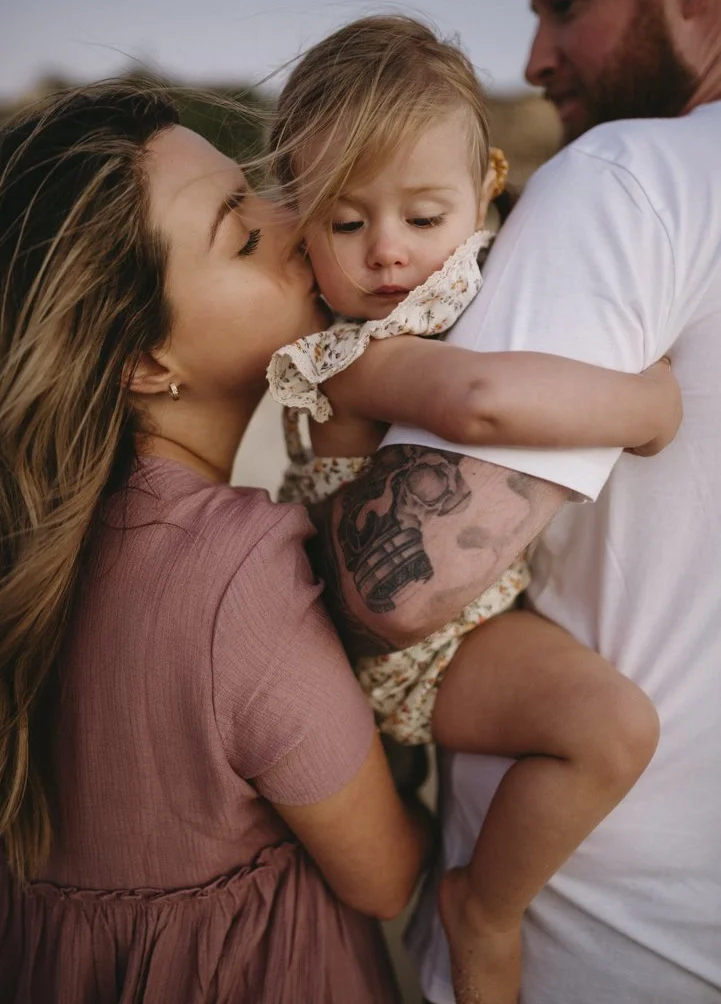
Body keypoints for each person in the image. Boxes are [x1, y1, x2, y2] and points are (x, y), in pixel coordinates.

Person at [311, 0, 721, 1003]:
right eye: (344, 222)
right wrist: (644, 405)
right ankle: (482, 909)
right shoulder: (351, 348)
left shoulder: (625, 188)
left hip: (610, 932)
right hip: (436, 653)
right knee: (607, 727)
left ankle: (472, 904)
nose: (386, 252)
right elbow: (479, 402)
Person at [0, 82, 432, 1004]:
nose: (297, 219)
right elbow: (386, 876)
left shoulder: (45, 545)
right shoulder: (234, 573)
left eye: (259, 191)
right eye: (241, 235)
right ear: (143, 362)